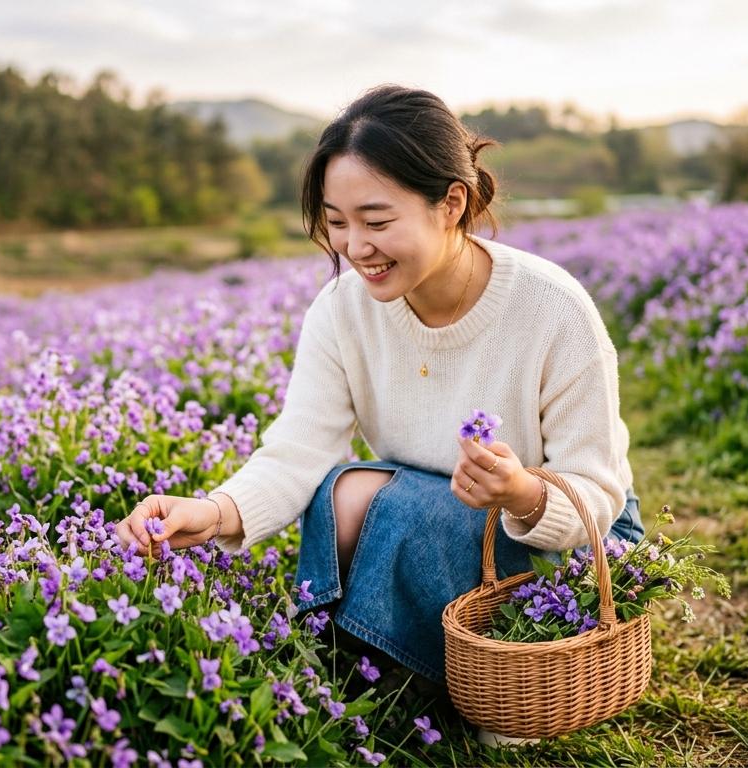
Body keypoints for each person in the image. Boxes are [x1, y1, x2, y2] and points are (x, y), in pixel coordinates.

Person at [115, 84, 643, 692]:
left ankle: (478, 673)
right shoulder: (343, 310)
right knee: (345, 494)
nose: (355, 248)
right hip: (438, 520)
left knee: (385, 505)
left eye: (377, 220)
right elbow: (298, 452)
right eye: (337, 223)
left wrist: (523, 492)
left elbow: (597, 492)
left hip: (572, 545)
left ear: (451, 203)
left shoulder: (552, 308)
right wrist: (213, 514)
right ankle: (370, 670)